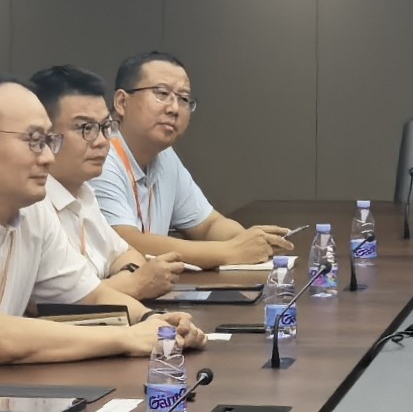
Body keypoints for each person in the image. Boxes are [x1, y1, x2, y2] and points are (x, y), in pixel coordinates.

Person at [0, 74, 209, 365]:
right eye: (34, 141)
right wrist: (127, 338)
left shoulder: (32, 210)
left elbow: (91, 295)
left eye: (48, 141)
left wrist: (152, 321)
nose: (47, 157)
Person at [90, 54, 294, 268]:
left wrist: (250, 240)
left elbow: (208, 224)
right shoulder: (100, 155)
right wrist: (230, 251)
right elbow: (125, 241)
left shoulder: (165, 156)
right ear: (122, 102)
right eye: (162, 94)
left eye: (184, 99)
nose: (174, 108)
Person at [27, 62, 182, 306]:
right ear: (44, 135)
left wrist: (125, 279)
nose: (101, 141)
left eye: (105, 127)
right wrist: (134, 284)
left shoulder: (84, 193)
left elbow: (128, 254)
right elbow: (50, 304)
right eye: (86, 128)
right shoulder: (29, 204)